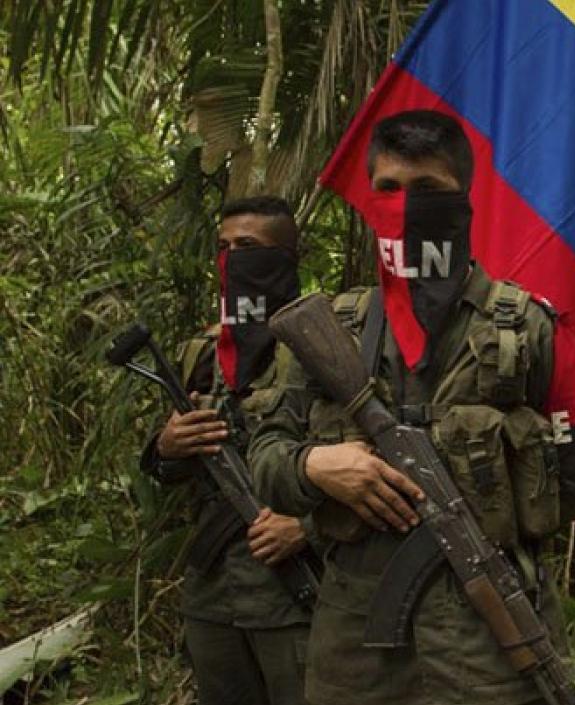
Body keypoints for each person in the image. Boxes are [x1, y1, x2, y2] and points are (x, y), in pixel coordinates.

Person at [248, 110, 575, 705]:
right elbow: (265, 454)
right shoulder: (332, 330)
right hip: (357, 652)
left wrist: (488, 515)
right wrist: (315, 467)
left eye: (427, 189)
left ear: (463, 200)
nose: (406, 205)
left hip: (489, 642)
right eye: (388, 188)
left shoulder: (529, 328)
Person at [141, 196, 315, 705]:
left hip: (295, 592)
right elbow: (165, 471)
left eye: (247, 246)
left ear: (285, 257)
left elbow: (372, 459)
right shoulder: (204, 354)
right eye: (223, 247)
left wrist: (306, 527)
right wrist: (169, 446)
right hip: (212, 592)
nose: (232, 259)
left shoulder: (322, 346)